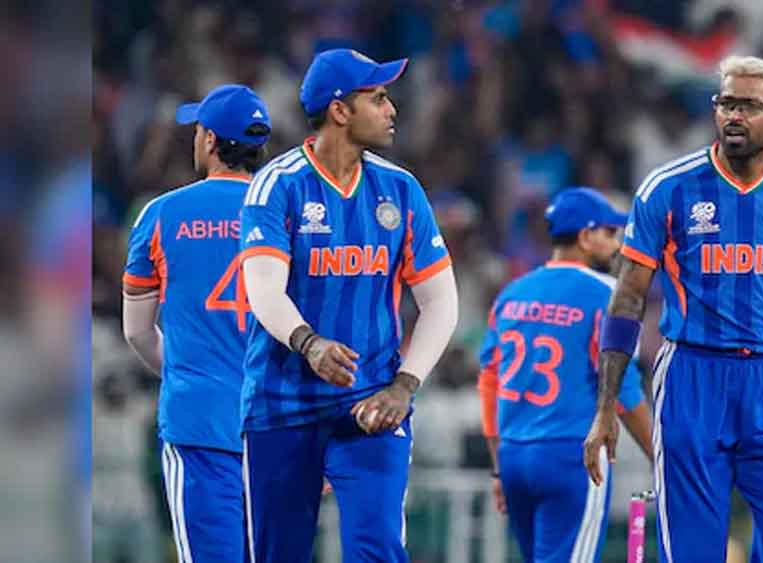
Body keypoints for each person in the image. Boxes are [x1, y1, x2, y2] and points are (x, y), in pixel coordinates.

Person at [583, 55, 763, 562]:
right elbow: (628, 297)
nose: (733, 115)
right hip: (692, 378)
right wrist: (606, 406)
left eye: (748, 106)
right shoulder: (669, 187)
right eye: (726, 103)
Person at [239, 48, 459, 562]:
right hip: (283, 404)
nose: (391, 110)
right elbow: (264, 290)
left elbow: (441, 300)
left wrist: (404, 386)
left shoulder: (400, 189)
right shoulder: (278, 185)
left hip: (373, 404)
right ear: (340, 110)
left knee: (377, 548)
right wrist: (310, 344)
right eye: (377, 98)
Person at [122, 84, 272, 563]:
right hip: (279, 430)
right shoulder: (290, 215)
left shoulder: (161, 214)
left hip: (199, 424)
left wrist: (189, 369)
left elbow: (137, 331)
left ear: (209, 140)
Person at [478, 187, 654, 562]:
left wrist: (497, 467)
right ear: (586, 236)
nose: (617, 244)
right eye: (609, 233)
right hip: (572, 456)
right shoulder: (609, 293)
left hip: (514, 456)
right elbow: (623, 391)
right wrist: (663, 460)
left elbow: (489, 382)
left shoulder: (512, 294)